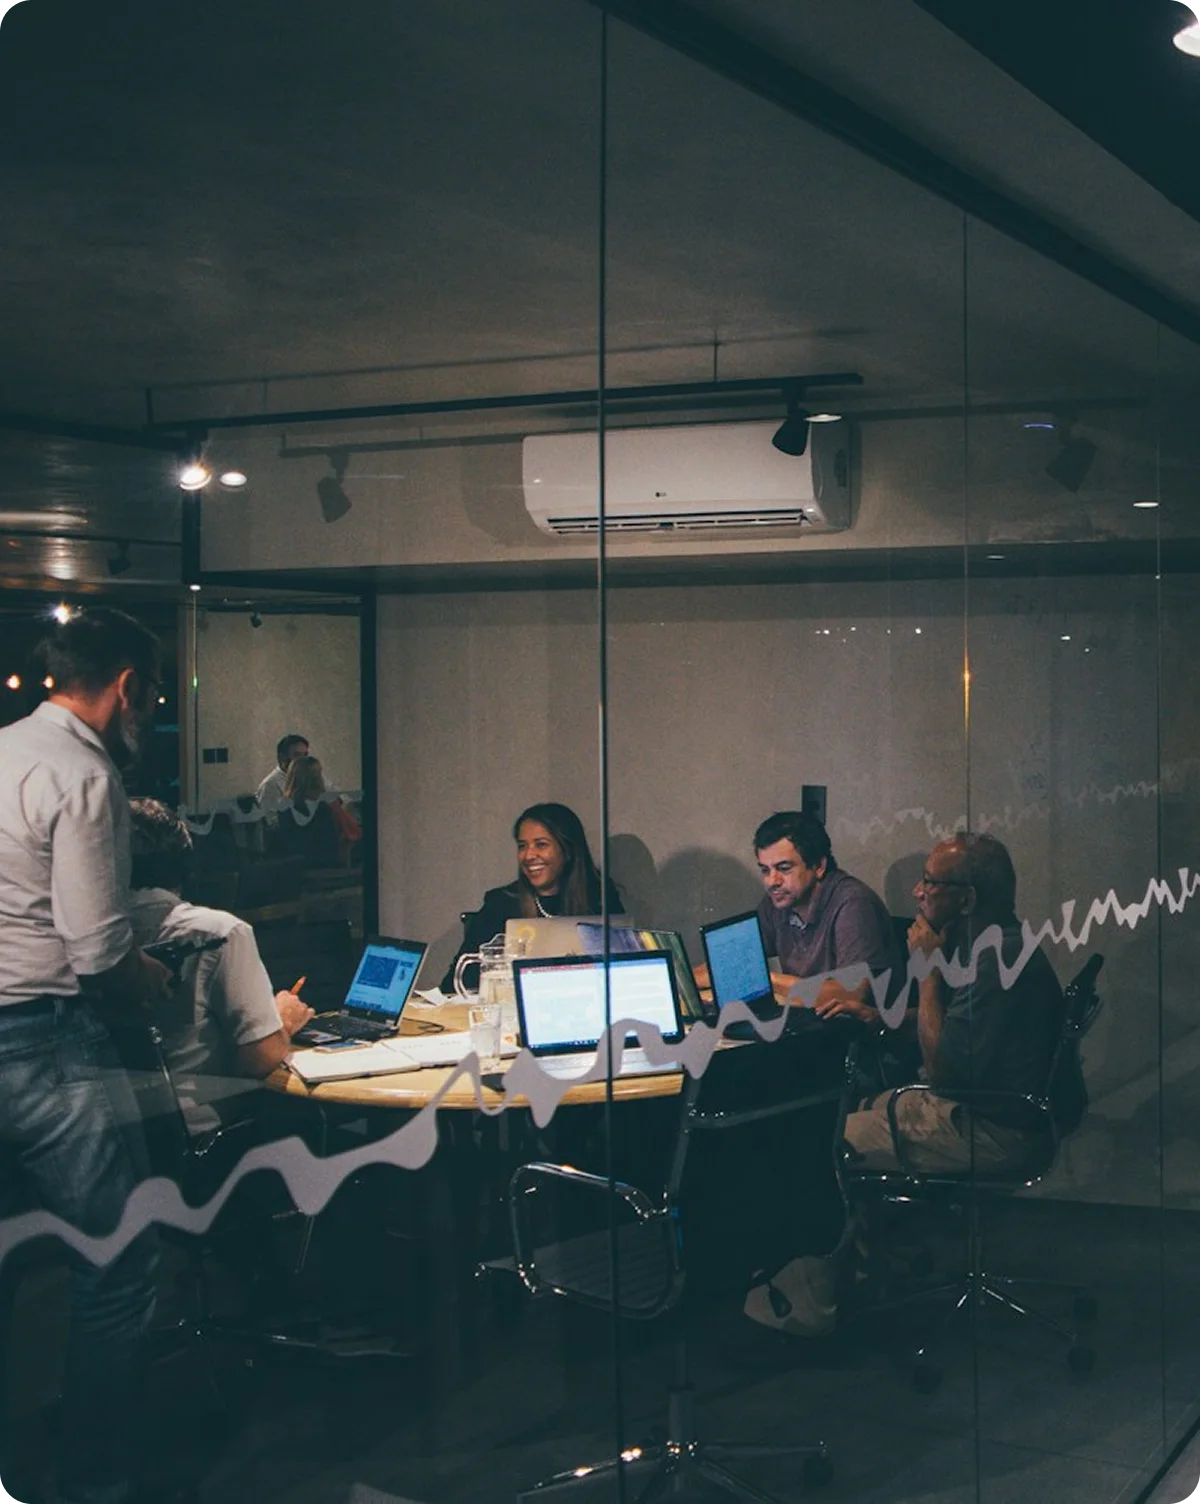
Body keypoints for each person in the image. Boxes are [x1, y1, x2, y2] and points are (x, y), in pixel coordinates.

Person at [745, 831, 1065, 1339]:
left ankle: (807, 1312)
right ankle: (866, 1271)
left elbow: (943, 1070)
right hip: (988, 1109)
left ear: (967, 899)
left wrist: (929, 971)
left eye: (930, 883)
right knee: (858, 1107)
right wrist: (876, 1016)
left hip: (990, 1127)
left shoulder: (993, 963)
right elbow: (955, 1027)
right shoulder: (999, 944)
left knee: (820, 1144)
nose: (917, 893)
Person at [0, 606, 173, 1504]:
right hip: (41, 1036)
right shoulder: (82, 773)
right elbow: (96, 947)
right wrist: (145, 971)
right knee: (122, 1253)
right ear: (126, 688)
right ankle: (96, 1482)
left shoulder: (2, 750)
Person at [127, 799, 316, 1134]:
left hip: (114, 1138)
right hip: (208, 1133)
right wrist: (282, 1020)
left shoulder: (77, 938)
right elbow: (259, 1057)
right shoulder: (218, 933)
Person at [441, 802, 624, 992]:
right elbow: (454, 985)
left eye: (541, 845)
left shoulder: (600, 898)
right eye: (522, 846)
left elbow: (623, 974)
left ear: (568, 850)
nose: (528, 855)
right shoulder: (502, 903)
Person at [748, 810, 901, 1020]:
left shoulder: (853, 903)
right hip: (809, 1026)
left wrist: (765, 981)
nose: (771, 881)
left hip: (856, 1039)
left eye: (784, 868)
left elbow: (853, 994)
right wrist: (688, 983)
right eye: (765, 870)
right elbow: (735, 962)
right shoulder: (779, 900)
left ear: (819, 866)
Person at [272, 754, 341, 869]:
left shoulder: (284, 806)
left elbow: (287, 841)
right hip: (324, 861)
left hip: (294, 863)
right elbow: (330, 841)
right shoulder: (324, 806)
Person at [255, 732, 309, 815]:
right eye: (297, 755)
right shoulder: (269, 785)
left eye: (305, 755)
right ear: (282, 757)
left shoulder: (311, 776)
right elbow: (266, 820)